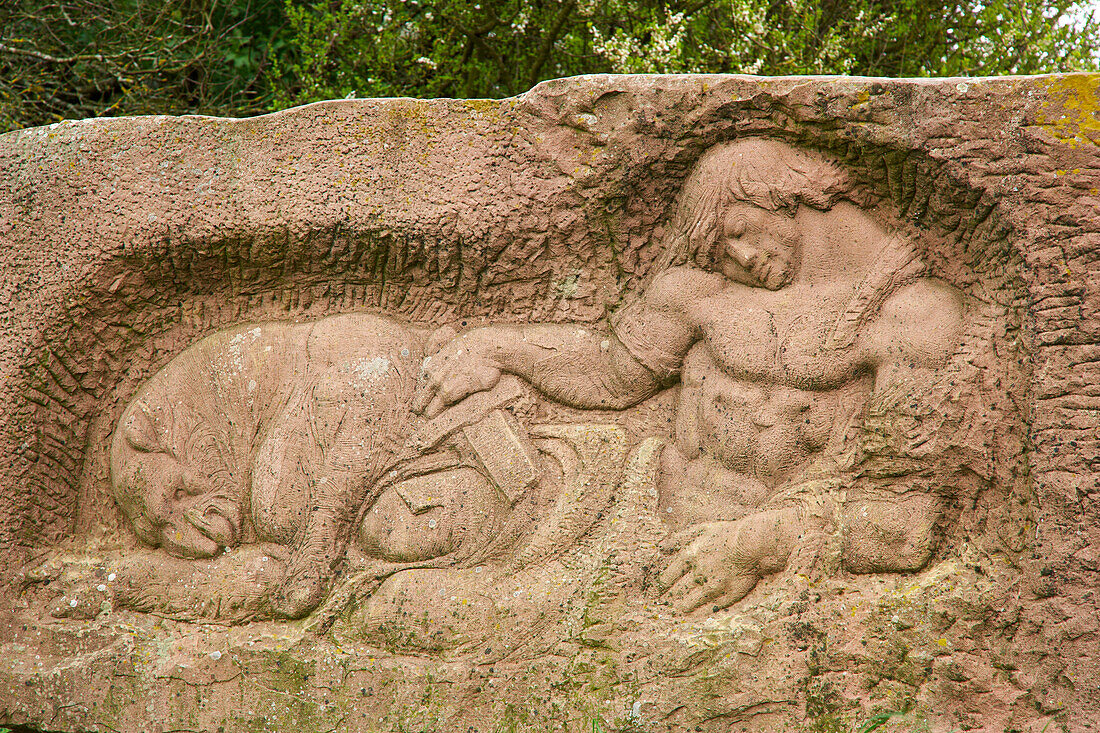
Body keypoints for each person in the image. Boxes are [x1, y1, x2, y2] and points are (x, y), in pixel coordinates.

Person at [414, 137, 966, 613]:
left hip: (753, 564)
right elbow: (612, 374)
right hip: (625, 509)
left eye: (740, 230)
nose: (744, 257)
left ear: (784, 193)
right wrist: (496, 346)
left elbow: (904, 523)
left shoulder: (916, 317)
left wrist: (754, 546)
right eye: (721, 252)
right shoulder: (704, 296)